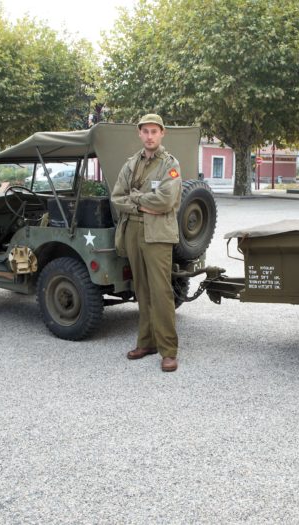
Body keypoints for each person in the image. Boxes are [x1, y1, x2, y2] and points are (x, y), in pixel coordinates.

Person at [111, 114, 183, 372]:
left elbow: (166, 200)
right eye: (145, 131)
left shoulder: (169, 165)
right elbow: (117, 197)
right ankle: (146, 342)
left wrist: (136, 200)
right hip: (133, 231)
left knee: (161, 292)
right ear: (140, 134)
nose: (150, 136)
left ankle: (168, 350)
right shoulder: (131, 164)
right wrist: (145, 204)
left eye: (154, 131)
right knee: (141, 289)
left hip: (158, 235)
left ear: (162, 133)